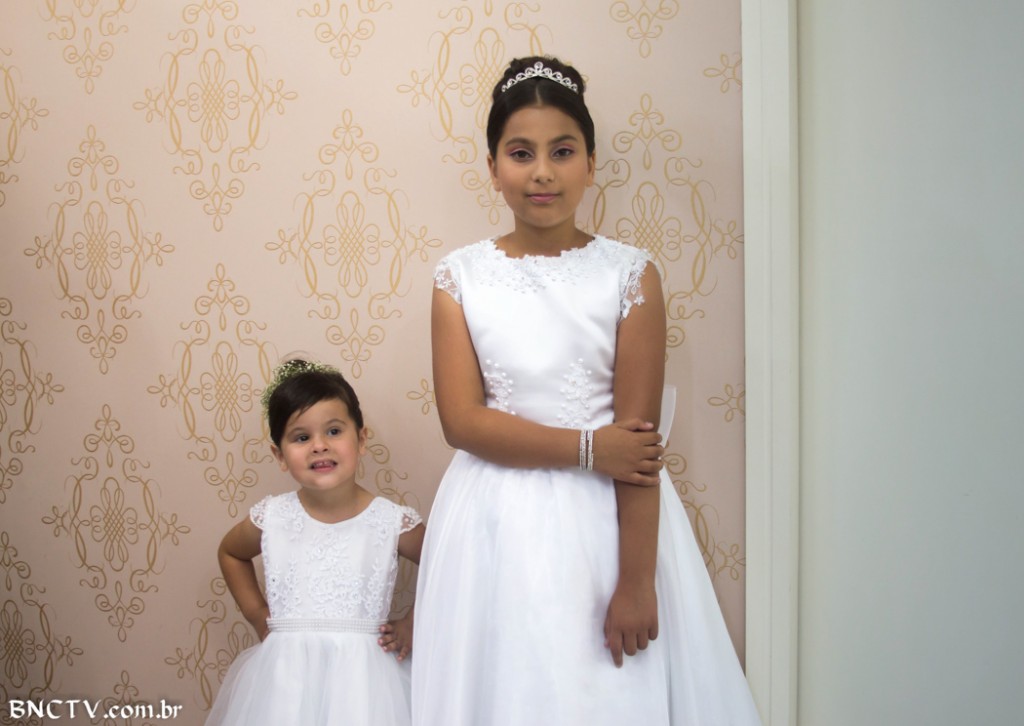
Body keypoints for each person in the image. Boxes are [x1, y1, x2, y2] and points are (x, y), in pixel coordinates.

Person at [412, 56, 762, 724]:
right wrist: (588, 448)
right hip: (491, 523)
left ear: (591, 163)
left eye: (563, 151)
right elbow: (462, 421)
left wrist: (636, 581)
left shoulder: (631, 275)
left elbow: (636, 446)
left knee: (600, 692)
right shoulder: (459, 276)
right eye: (521, 153)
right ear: (492, 167)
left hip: (603, 526)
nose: (542, 172)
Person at [207, 358, 425, 726]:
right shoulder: (273, 517)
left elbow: (450, 565)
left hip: (364, 688)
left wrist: (413, 623)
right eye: (301, 437)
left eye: (334, 431)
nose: (319, 446)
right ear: (279, 455)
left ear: (361, 439)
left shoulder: (390, 521)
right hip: (285, 686)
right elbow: (230, 552)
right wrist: (257, 614)